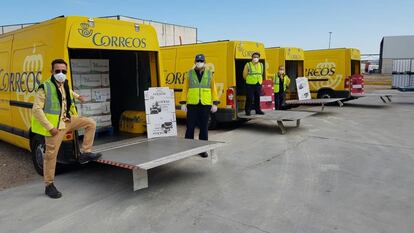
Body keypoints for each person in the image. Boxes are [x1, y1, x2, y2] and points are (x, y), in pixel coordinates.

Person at [31, 59, 102, 199]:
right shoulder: (44, 87)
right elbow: (36, 110)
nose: (61, 73)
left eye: (63, 71)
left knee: (90, 123)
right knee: (51, 156)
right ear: (51, 72)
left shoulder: (64, 84)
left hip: (68, 120)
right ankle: (49, 185)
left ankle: (85, 153)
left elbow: (68, 92)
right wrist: (50, 127)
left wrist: (79, 97)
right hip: (55, 127)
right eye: (57, 71)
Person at [180, 54, 219, 157]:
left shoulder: (209, 74)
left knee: (204, 127)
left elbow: (213, 89)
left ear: (204, 62)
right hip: (192, 104)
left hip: (205, 104)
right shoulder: (189, 73)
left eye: (201, 61)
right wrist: (183, 102)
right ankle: (188, 148)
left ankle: (203, 150)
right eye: (198, 61)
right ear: (195, 62)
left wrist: (215, 103)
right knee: (190, 127)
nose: (199, 62)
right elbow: (185, 89)